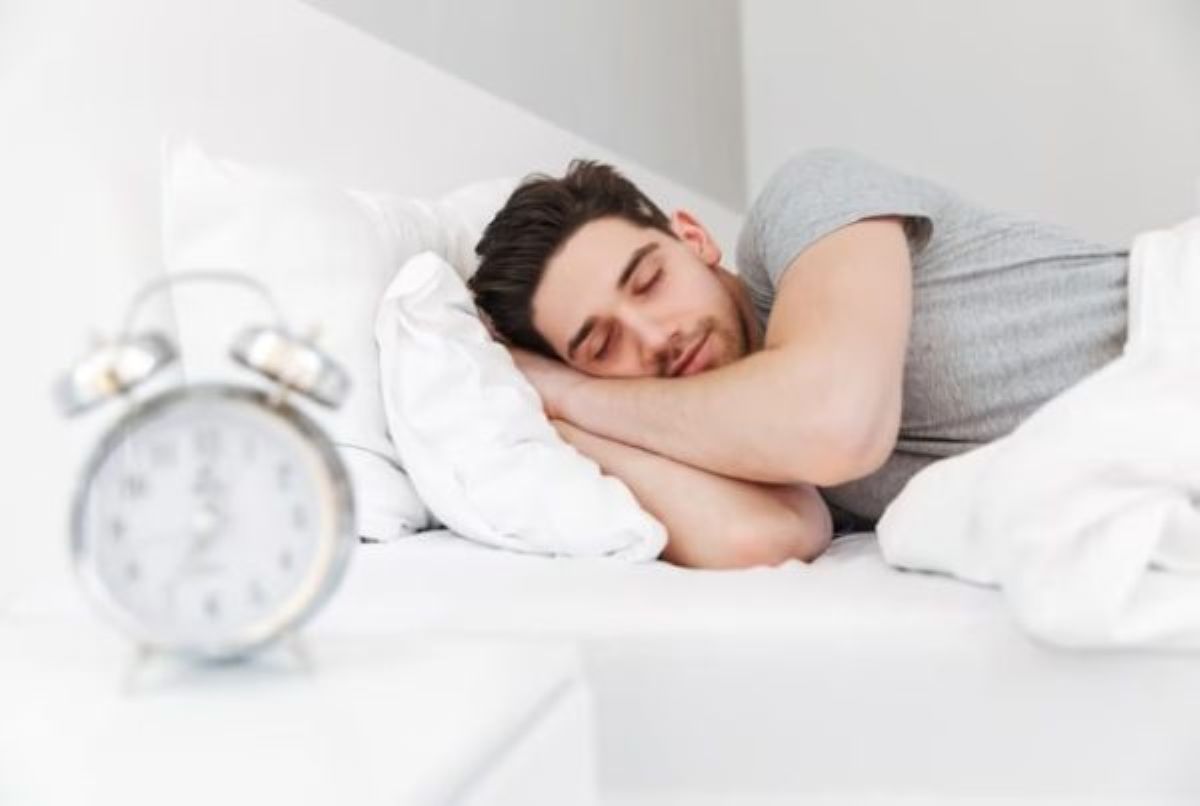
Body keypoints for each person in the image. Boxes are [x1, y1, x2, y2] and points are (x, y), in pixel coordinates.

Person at [467, 149, 1129, 570]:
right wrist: (555, 408)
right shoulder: (712, 433)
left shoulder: (798, 207)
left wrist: (576, 394)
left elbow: (834, 425)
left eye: (648, 281)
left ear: (694, 238)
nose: (655, 335)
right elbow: (761, 537)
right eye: (602, 346)